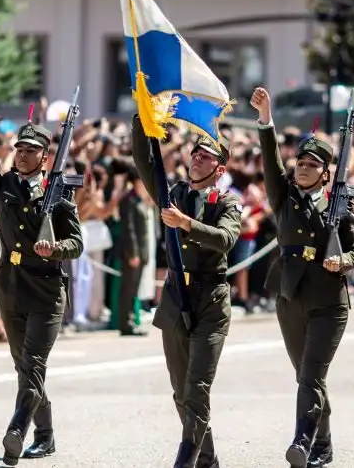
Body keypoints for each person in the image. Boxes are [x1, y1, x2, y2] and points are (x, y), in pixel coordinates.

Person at [0, 83, 84, 466]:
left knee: (32, 366)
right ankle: (45, 435)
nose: (23, 155)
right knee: (24, 366)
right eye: (20, 149)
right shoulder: (4, 186)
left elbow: (76, 243)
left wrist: (56, 249)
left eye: (31, 150)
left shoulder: (59, 193)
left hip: (46, 290)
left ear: (46, 158)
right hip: (12, 288)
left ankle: (18, 429)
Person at [251, 87, 354, 468]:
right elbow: (269, 161)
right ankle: (324, 444)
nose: (302, 167)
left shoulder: (340, 205)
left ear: (326, 173)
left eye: (312, 165)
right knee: (305, 376)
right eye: (300, 162)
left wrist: (342, 260)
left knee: (311, 374)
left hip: (329, 301)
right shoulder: (284, 197)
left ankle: (302, 440)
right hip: (291, 296)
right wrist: (266, 120)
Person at [130, 111, 242, 468]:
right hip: (176, 296)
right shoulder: (171, 192)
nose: (197, 158)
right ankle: (207, 458)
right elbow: (143, 160)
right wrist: (142, 116)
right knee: (181, 391)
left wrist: (186, 223)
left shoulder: (226, 203)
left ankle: (186, 461)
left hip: (210, 300)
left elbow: (225, 239)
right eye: (196, 153)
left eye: (206, 156)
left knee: (197, 388)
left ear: (219, 169)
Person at [116, 161, 152, 337]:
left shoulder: (138, 200)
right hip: (133, 253)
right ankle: (126, 323)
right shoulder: (128, 200)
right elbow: (129, 229)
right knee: (128, 289)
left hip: (140, 253)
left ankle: (131, 321)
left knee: (134, 289)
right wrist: (134, 253)